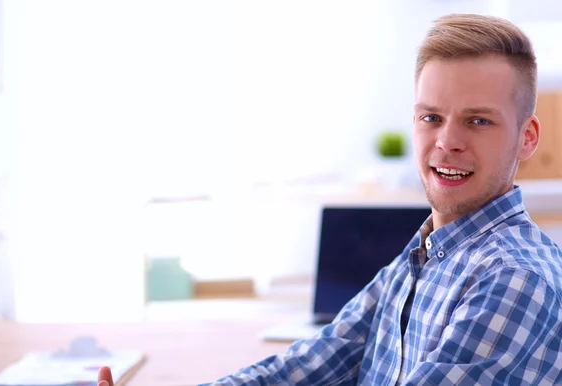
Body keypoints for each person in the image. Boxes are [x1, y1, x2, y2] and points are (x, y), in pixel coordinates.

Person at [97, 13, 562, 386]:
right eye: (431, 117)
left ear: (527, 137)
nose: (447, 142)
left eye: (478, 121)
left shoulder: (515, 277)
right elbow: (307, 366)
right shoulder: (428, 253)